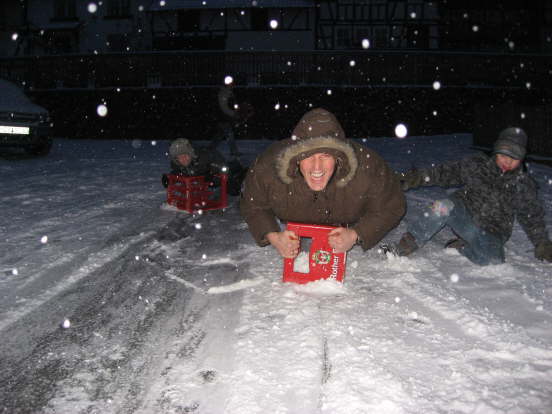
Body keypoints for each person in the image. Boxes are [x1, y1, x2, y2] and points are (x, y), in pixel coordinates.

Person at [239, 108, 405, 258]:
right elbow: (252, 204)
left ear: (338, 158)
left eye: (325, 155)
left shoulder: (369, 168)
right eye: (307, 156)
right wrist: (273, 236)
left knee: (402, 181)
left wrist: (356, 234)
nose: (316, 167)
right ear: (296, 159)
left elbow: (393, 206)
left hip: (363, 200)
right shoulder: (267, 168)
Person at [391, 127, 552, 265]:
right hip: (463, 214)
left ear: (521, 159)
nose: (507, 161)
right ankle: (409, 242)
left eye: (513, 158)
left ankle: (462, 247)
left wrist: (542, 244)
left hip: (493, 231)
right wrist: (415, 178)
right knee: (442, 206)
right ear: (496, 152)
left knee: (493, 261)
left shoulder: (523, 184)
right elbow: (444, 173)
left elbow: (532, 216)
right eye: (503, 155)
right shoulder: (477, 165)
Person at [163, 138, 245, 196]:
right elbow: (178, 174)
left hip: (217, 164)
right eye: (180, 157)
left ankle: (240, 169)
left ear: (190, 154)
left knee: (233, 190)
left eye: (185, 155)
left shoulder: (204, 157)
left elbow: (224, 169)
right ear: (176, 159)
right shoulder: (177, 164)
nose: (183, 159)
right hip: (206, 172)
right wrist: (169, 179)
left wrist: (213, 177)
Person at [210, 81, 253, 158]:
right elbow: (224, 107)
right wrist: (233, 113)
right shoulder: (224, 93)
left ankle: (210, 148)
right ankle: (233, 151)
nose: (232, 85)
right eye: (231, 84)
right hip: (223, 117)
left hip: (225, 117)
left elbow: (231, 105)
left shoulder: (229, 93)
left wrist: (236, 111)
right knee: (229, 134)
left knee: (220, 134)